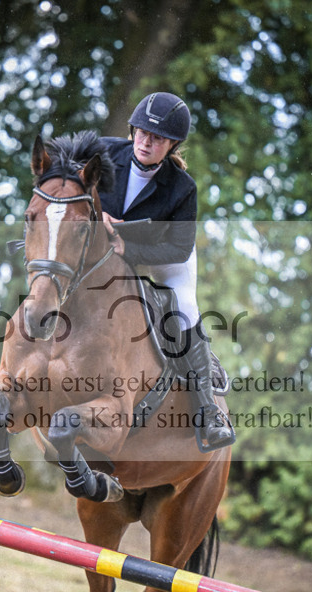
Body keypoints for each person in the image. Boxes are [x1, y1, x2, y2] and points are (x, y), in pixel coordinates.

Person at [98, 92, 236, 452]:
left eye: (157, 138)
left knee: (184, 306)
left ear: (172, 144)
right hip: (104, 247)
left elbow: (179, 249)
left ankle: (207, 411)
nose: (146, 142)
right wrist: (94, 213)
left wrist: (129, 249)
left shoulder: (182, 188)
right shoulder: (103, 152)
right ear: (133, 131)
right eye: (142, 133)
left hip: (161, 254)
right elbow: (64, 178)